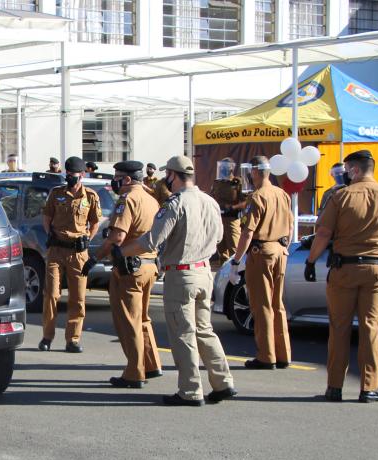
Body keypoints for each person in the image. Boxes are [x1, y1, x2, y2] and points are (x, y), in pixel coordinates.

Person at [122, 155, 236, 406]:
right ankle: (223, 381)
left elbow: (151, 241)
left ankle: (190, 390)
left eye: (168, 175)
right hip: (204, 272)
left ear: (173, 175)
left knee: (183, 333)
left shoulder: (175, 203)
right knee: (204, 330)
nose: (166, 180)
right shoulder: (210, 201)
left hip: (181, 274)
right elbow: (219, 237)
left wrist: (123, 251)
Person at [305, 150, 378, 403]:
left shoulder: (341, 196)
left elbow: (323, 233)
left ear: (355, 170)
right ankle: (369, 388)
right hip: (377, 269)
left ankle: (334, 387)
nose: (346, 174)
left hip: (345, 268)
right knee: (371, 329)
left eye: (348, 170)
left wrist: (311, 260)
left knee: (339, 328)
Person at [94, 160, 163, 388]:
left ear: (126, 179)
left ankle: (134, 373)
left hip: (129, 269)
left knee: (128, 322)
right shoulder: (151, 199)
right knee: (142, 318)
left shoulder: (127, 199)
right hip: (150, 265)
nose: (114, 182)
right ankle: (151, 364)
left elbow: (117, 237)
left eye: (117, 177)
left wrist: (95, 257)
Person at [228, 156, 293, 370]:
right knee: (277, 304)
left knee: (262, 305)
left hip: (262, 252)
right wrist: (284, 246)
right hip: (280, 250)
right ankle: (283, 353)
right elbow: (291, 226)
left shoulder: (257, 197)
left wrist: (236, 261)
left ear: (255, 172)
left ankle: (266, 355)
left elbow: (247, 232)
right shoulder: (282, 194)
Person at [39, 156, 102, 353]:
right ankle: (47, 336)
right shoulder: (56, 193)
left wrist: (88, 238)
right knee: (51, 294)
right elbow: (46, 216)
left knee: (78, 297)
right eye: (67, 174)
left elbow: (95, 222)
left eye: (73, 175)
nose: (69, 178)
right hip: (56, 250)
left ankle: (73, 339)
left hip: (78, 253)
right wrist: (49, 233)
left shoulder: (90, 196)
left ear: (82, 175)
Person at [210, 157, 247, 265]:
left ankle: (237, 269)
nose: (222, 169)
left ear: (231, 169)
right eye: (221, 167)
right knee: (221, 249)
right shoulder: (217, 182)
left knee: (234, 248)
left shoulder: (237, 183)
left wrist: (232, 208)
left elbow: (246, 202)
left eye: (225, 167)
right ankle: (224, 271)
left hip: (232, 219)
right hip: (219, 219)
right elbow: (212, 196)